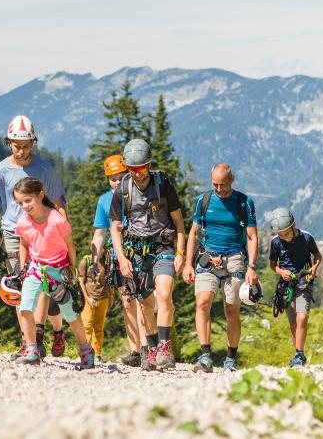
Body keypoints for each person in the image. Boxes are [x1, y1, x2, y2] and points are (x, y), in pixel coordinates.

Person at [0, 115, 68, 360]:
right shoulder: (1, 170)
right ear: (8, 142)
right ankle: (28, 341)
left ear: (33, 143)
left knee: (41, 284)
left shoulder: (43, 168)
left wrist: (63, 236)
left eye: (26, 145)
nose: (21, 151)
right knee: (19, 286)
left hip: (41, 234)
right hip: (13, 233)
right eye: (16, 145)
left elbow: (58, 203)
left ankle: (38, 336)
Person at [110, 139, 186, 371]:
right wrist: (122, 258)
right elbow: (114, 226)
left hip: (163, 248)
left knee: (164, 295)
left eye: (142, 168)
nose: (138, 174)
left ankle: (164, 347)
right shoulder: (123, 189)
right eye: (132, 169)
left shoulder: (163, 183)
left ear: (149, 164)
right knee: (145, 304)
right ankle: (151, 349)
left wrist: (180, 252)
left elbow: (179, 222)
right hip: (137, 253)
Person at [11, 177, 95, 369]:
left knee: (70, 314)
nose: (24, 206)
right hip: (35, 269)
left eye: (28, 200)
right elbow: (24, 244)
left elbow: (70, 246)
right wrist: (23, 270)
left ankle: (85, 349)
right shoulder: (23, 222)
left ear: (40, 195)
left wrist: (72, 271)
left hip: (59, 271)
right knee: (25, 308)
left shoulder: (57, 219)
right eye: (20, 203)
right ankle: (32, 349)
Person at [182, 163, 259, 372]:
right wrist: (188, 263)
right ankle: (205, 354)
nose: (218, 189)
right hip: (207, 258)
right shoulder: (204, 201)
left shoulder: (244, 202)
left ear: (232, 180)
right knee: (202, 303)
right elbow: (194, 233)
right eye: (215, 184)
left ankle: (230, 358)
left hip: (234, 259)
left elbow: (252, 236)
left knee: (231, 310)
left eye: (223, 185)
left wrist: (251, 266)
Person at [88, 154, 141, 366]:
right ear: (107, 179)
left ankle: (149, 346)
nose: (117, 181)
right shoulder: (104, 201)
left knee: (144, 300)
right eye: (113, 178)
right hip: (118, 253)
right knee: (128, 302)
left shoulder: (138, 193)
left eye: (120, 176)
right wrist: (93, 261)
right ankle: (135, 350)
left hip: (140, 249)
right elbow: (99, 233)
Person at [266, 207, 321, 368]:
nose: (284, 237)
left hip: (304, 282)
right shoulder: (276, 242)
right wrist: (281, 271)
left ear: (293, 226)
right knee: (293, 323)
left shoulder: (307, 238)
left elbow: (317, 256)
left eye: (286, 233)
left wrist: (314, 269)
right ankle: (298, 355)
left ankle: (299, 353)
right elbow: (272, 265)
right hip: (286, 286)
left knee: (302, 317)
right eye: (280, 234)